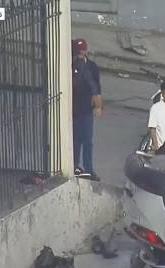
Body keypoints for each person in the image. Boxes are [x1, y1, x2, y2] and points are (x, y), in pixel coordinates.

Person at [72, 38, 103, 180]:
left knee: (87, 141)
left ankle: (89, 169)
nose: (80, 54)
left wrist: (98, 106)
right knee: (76, 141)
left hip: (87, 110)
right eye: (78, 52)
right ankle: (74, 167)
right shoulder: (71, 66)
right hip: (74, 110)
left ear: (85, 51)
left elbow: (97, 87)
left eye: (81, 51)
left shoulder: (91, 67)